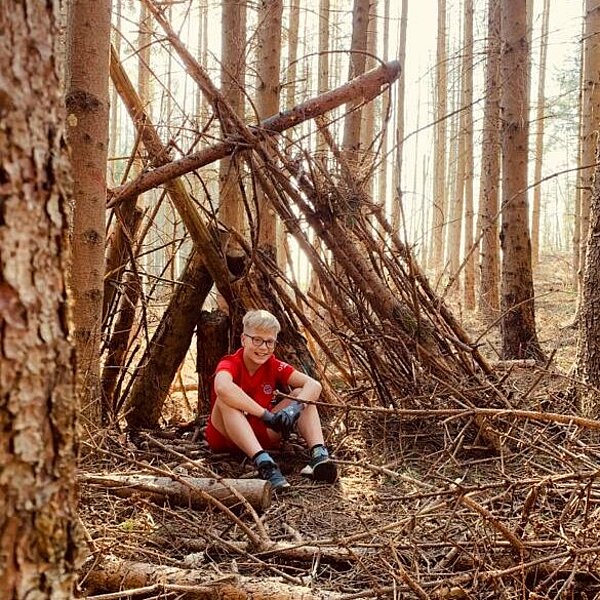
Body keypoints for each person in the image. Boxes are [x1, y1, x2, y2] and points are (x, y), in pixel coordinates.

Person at [204, 309, 337, 490]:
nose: (263, 347)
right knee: (225, 399)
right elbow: (222, 387)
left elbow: (314, 385)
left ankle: (319, 455)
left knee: (302, 394)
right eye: (257, 340)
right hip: (227, 437)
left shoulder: (273, 364)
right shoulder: (230, 363)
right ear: (243, 339)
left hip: (263, 434)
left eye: (269, 342)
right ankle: (265, 464)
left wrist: (292, 411)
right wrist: (264, 414)